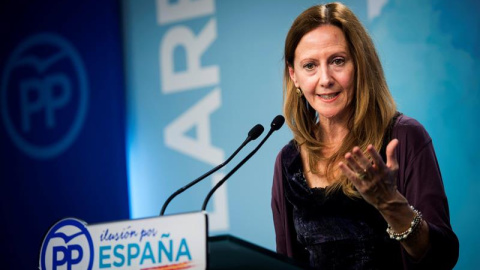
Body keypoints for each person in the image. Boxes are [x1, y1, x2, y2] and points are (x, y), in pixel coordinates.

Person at [271, 2, 459, 269]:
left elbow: (442, 258)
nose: (325, 78)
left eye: (337, 61)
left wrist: (391, 205)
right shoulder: (288, 162)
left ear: (360, 64)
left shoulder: (404, 138)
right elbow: (286, 262)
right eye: (310, 66)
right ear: (295, 76)